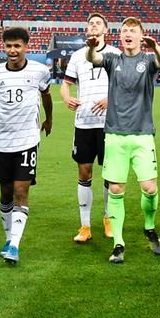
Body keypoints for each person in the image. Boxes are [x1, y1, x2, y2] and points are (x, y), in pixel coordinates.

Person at [86, 17, 160, 264]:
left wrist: (155, 47)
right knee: (115, 189)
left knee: (150, 188)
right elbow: (94, 59)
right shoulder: (113, 60)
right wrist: (91, 47)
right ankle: (118, 244)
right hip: (115, 135)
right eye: (124, 31)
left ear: (141, 36)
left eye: (133, 30)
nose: (128, 34)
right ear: (120, 36)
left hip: (143, 135)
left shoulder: (148, 60)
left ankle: (149, 227)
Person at [0, 27, 53, 264]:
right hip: (3, 141)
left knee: (21, 191)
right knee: (5, 192)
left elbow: (46, 95)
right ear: (4, 47)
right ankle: (8, 238)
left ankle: (14, 245)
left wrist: (49, 118)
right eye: (9, 46)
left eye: (17, 46)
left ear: (26, 47)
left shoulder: (39, 71)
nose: (12, 50)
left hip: (27, 140)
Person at [61, 13, 119, 242]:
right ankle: (85, 225)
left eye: (98, 23)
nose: (93, 25)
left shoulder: (115, 54)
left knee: (110, 174)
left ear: (106, 30)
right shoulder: (77, 56)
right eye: (90, 23)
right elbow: (65, 85)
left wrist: (110, 98)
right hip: (84, 123)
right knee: (84, 171)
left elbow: (124, 86)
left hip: (109, 124)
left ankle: (108, 218)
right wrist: (66, 98)